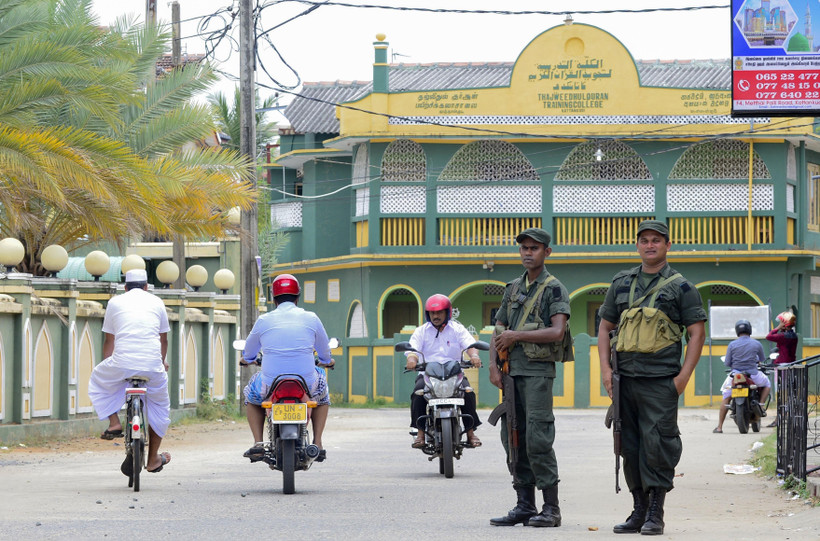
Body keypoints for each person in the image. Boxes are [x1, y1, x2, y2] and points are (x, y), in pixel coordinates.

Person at [597, 220, 706, 536]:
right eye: (644, 240)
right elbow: (605, 328)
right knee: (628, 445)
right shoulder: (620, 283)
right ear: (637, 245)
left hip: (661, 380)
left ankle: (656, 512)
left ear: (667, 245)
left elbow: (697, 333)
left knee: (658, 445)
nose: (649, 245)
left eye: (656, 240)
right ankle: (638, 511)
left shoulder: (681, 287)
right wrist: (606, 371)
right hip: (625, 380)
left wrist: (682, 378)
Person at [489, 227, 570, 528]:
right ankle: (524, 504)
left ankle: (551, 508)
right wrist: (493, 366)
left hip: (537, 373)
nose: (527, 252)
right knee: (512, 436)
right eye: (523, 247)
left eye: (534, 248)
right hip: (511, 373)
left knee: (538, 437)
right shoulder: (512, 288)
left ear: (546, 252)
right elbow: (498, 329)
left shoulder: (554, 288)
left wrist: (516, 336)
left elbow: (556, 331)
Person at [241, 273, 335, 462]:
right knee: (323, 393)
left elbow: (248, 353)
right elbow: (324, 352)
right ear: (297, 297)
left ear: (274, 299)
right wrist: (327, 361)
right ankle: (317, 442)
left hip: (270, 383)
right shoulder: (312, 318)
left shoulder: (264, 320)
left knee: (251, 393)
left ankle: (258, 443)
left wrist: (248, 359)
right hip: (306, 383)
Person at [88, 268, 172, 474]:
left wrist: (110, 366)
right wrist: (161, 362)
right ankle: (153, 459)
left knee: (98, 380)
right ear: (146, 287)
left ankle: (115, 423)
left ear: (125, 287)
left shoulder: (115, 302)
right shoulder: (157, 302)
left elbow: (110, 340)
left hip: (122, 362)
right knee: (160, 407)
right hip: (152, 365)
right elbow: (163, 340)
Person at [404, 294, 483, 448]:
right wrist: (412, 360)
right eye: (432, 313)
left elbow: (469, 345)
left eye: (439, 312)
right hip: (428, 375)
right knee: (418, 394)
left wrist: (473, 356)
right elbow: (413, 349)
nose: (436, 316)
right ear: (428, 314)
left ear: (448, 312)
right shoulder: (422, 331)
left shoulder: (457, 329)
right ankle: (420, 434)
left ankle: (470, 433)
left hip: (455, 374)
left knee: (468, 393)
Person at [713, 319, 770, 433]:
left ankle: (719, 427)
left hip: (736, 375)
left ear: (737, 331)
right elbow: (762, 359)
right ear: (749, 330)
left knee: (726, 397)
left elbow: (727, 363)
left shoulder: (732, 344)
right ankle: (762, 405)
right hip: (753, 375)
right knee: (767, 384)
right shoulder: (756, 343)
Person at [765, 311, 798, 427]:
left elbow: (769, 336)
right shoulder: (793, 336)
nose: (779, 324)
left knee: (781, 393)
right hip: (790, 365)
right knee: (787, 393)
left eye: (780, 322)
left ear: (785, 324)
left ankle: (779, 418)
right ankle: (785, 415)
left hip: (782, 367)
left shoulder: (783, 337)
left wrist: (777, 328)